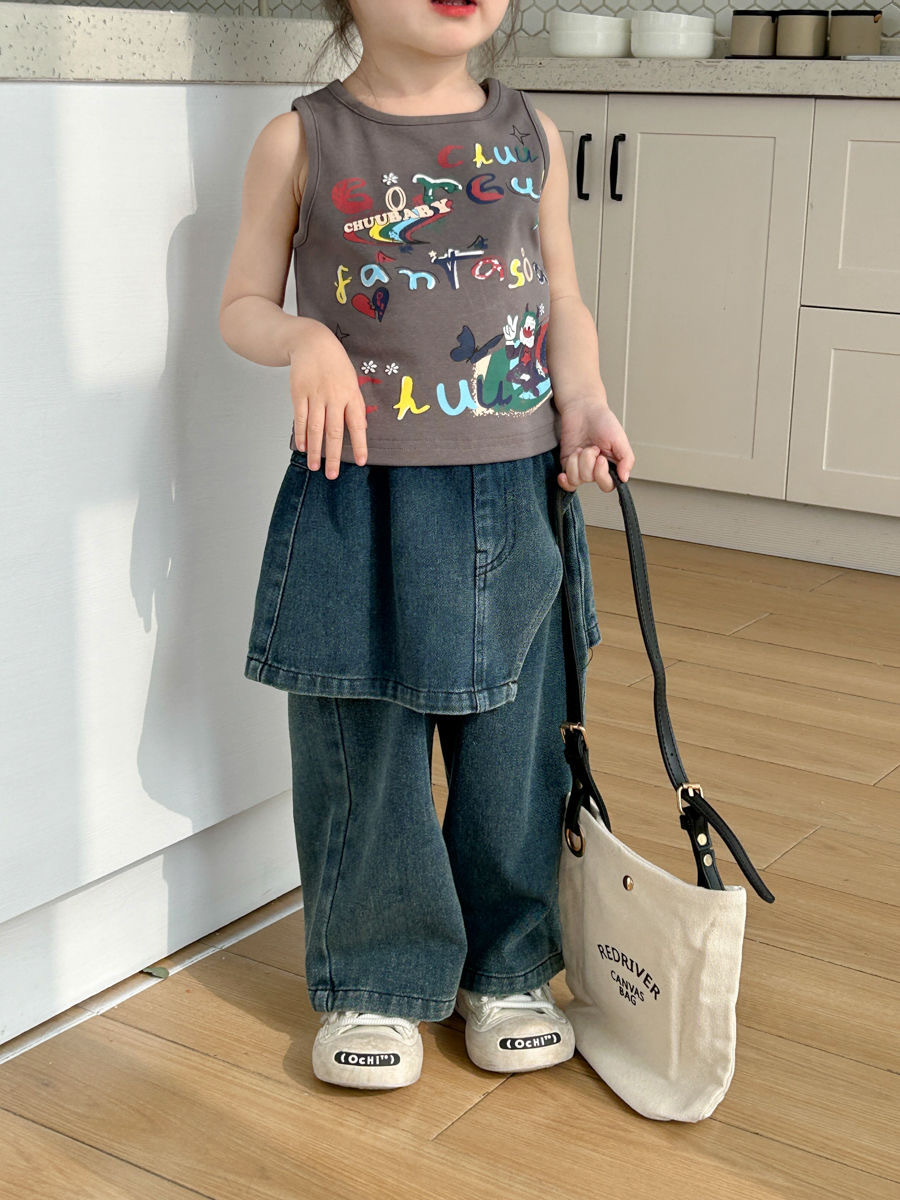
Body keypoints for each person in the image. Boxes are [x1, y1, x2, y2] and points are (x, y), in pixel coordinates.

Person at [218, 0, 635, 1092]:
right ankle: (376, 977)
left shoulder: (529, 133)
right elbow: (241, 304)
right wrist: (303, 336)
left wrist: (585, 398)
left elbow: (562, 300)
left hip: (514, 485)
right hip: (359, 488)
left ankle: (508, 967)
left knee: (516, 744)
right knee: (364, 742)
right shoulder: (301, 140)